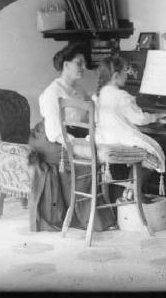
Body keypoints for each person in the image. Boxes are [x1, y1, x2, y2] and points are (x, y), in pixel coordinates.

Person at [29, 43, 116, 231]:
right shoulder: (53, 92)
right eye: (79, 63)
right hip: (49, 139)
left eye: (84, 63)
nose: (83, 67)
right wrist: (76, 147)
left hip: (72, 135)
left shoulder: (77, 89)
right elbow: (54, 131)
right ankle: (85, 218)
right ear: (66, 65)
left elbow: (89, 115)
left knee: (98, 154)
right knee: (81, 159)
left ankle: (103, 212)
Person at [93, 55, 166, 199]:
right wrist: (156, 115)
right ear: (115, 76)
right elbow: (139, 119)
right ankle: (132, 188)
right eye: (124, 72)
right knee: (154, 152)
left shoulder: (97, 95)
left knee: (147, 148)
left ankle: (130, 191)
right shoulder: (121, 96)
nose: (127, 75)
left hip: (104, 139)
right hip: (121, 140)